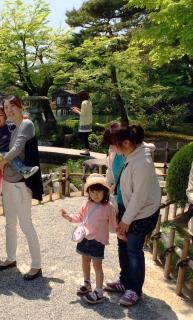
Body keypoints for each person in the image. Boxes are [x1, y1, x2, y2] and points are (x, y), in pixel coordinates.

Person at [103, 124, 160, 306]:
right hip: (126, 208)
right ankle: (124, 281)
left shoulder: (142, 162)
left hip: (142, 212)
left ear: (126, 143)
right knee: (123, 245)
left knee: (134, 250)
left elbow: (140, 197)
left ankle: (135, 289)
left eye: (114, 145)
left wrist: (126, 221)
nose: (112, 149)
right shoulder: (128, 154)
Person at [0, 96, 42, 280]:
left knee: (25, 224)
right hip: (8, 181)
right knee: (9, 223)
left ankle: (36, 265)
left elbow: (19, 146)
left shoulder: (26, 125)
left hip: (22, 183)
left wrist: (3, 160)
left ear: (20, 106)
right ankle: (10, 258)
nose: (8, 110)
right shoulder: (11, 127)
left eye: (12, 106)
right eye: (6, 107)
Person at [60, 174, 117, 304]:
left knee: (97, 266)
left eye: (99, 191)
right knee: (85, 261)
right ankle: (87, 282)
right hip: (84, 238)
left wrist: (121, 234)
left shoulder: (109, 208)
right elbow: (79, 217)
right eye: (92, 191)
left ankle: (99, 291)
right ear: (88, 192)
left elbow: (114, 225)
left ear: (105, 192)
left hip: (98, 241)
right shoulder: (86, 204)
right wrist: (68, 216)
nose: (96, 194)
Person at [0, 105, 39, 179]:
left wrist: (22, 119)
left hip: (8, 151)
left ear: (6, 117)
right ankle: (23, 170)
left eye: (1, 115)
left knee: (15, 154)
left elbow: (19, 124)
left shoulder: (9, 127)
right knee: (10, 156)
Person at [72, 90, 92, 156]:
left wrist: (76, 111)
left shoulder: (83, 103)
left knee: (83, 136)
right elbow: (85, 111)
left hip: (84, 123)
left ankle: (87, 150)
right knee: (83, 136)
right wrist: (78, 109)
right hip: (88, 122)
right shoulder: (89, 102)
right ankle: (88, 148)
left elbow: (83, 114)